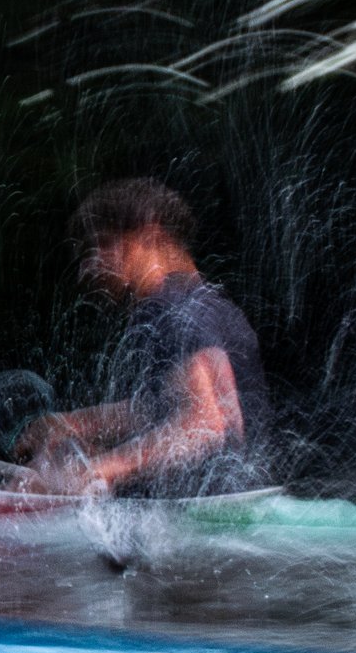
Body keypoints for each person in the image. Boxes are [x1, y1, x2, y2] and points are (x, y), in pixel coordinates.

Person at [15, 178, 269, 496]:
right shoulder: (212, 304)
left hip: (203, 524)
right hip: (245, 505)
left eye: (103, 244)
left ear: (150, 233)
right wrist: (72, 424)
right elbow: (165, 407)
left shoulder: (164, 308)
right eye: (84, 254)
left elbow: (203, 424)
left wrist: (97, 470)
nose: (87, 269)